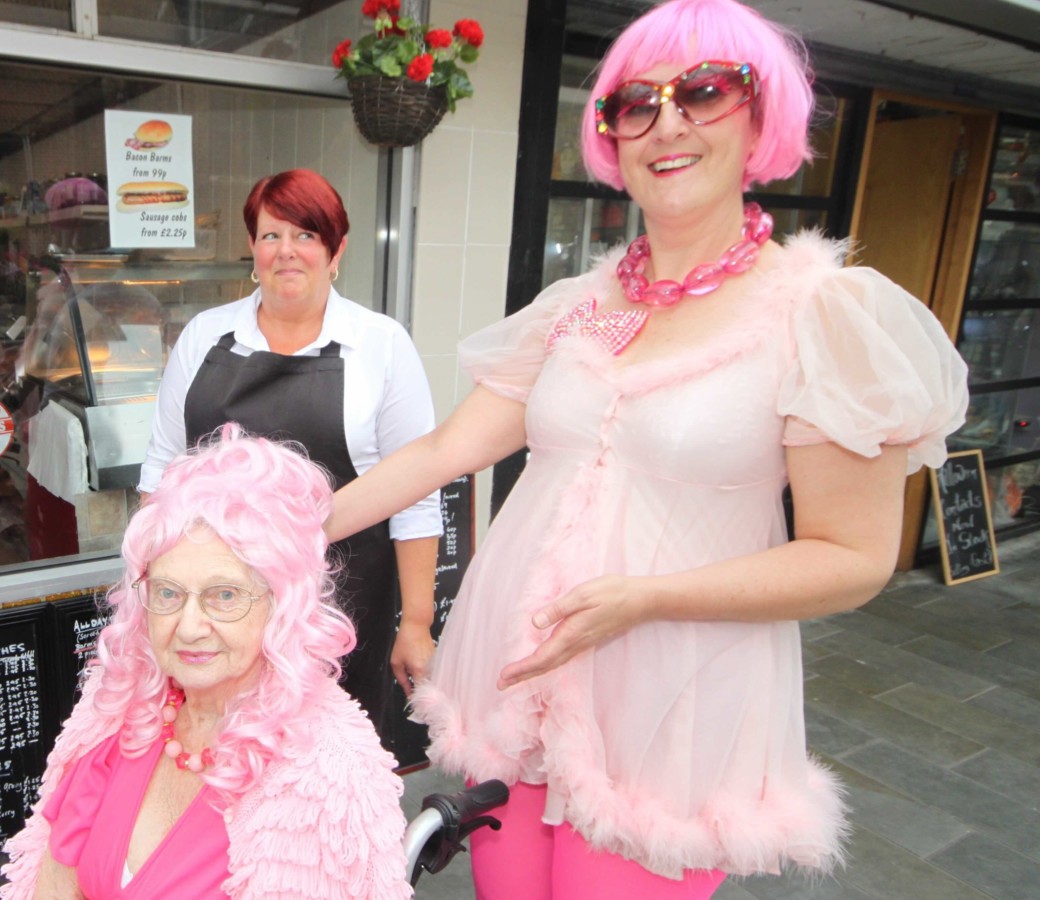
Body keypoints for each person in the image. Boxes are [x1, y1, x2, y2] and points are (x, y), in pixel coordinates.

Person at [326, 0, 969, 896]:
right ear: (612, 137)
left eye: (705, 92)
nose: (667, 122)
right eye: (635, 103)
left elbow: (854, 558)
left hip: (677, 696)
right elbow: (441, 449)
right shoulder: (573, 308)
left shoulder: (818, 313)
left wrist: (649, 599)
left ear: (759, 117)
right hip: (523, 679)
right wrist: (281, 529)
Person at [1, 426, 411, 899]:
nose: (190, 626)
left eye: (224, 596)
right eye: (169, 593)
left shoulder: (328, 778)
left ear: (282, 603)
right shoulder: (119, 709)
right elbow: (55, 880)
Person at [139, 168, 441, 733]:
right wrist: (156, 595)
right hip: (216, 603)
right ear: (252, 247)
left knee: (326, 758)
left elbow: (416, 496)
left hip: (341, 604)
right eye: (271, 235)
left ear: (336, 250)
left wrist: (417, 623)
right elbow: (161, 472)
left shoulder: (381, 345)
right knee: (222, 750)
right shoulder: (205, 336)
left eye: (306, 235)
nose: (287, 252)